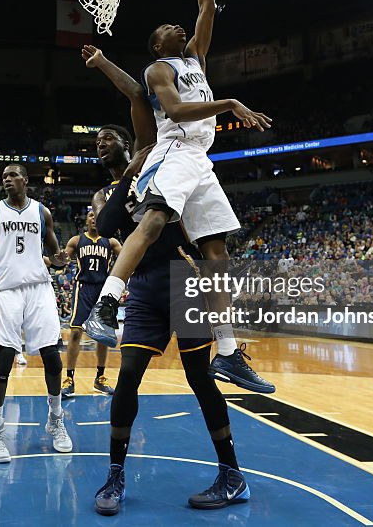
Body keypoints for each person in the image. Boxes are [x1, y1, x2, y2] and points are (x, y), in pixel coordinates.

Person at [80, 48, 269, 514]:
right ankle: (115, 477)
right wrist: (124, 182)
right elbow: (105, 229)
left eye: (109, 138)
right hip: (144, 286)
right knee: (127, 380)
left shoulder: (156, 150)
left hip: (182, 280)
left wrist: (105, 63)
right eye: (97, 142)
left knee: (201, 380)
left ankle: (232, 473)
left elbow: (134, 91)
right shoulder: (117, 188)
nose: (101, 144)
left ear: (132, 137)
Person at [81, 0, 274, 393]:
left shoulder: (195, 59)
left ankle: (227, 353)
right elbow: (174, 110)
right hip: (174, 149)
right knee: (152, 221)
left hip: (201, 159)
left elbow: (207, 6)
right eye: (171, 27)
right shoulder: (158, 70)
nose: (180, 28)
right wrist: (228, 104)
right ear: (156, 44)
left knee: (217, 251)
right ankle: (108, 304)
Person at [0, 164, 72, 463]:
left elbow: (56, 256)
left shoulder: (42, 213)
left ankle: (56, 418)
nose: (6, 180)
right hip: (7, 290)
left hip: (39, 288)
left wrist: (61, 260)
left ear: (26, 181)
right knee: (4, 358)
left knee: (52, 358)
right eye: (3, 176)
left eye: (12, 175)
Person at [56, 210, 121, 397]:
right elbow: (62, 260)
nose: (94, 219)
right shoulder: (76, 240)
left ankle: (100, 378)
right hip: (83, 288)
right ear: (86, 220)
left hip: (104, 288)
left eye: (98, 216)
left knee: (102, 335)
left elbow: (128, 256)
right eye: (91, 216)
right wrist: (54, 259)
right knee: (76, 332)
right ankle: (69, 379)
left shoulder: (111, 241)